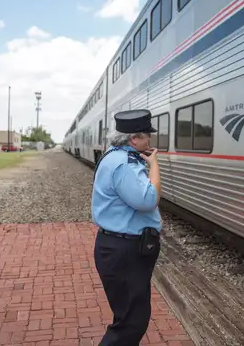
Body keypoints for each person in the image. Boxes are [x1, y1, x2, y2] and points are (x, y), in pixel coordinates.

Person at [91, 109, 162, 345]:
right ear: (134, 139)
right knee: (132, 322)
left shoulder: (114, 156)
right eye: (147, 136)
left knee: (127, 316)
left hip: (119, 248)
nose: (150, 140)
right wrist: (154, 165)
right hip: (125, 251)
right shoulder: (124, 164)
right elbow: (148, 200)